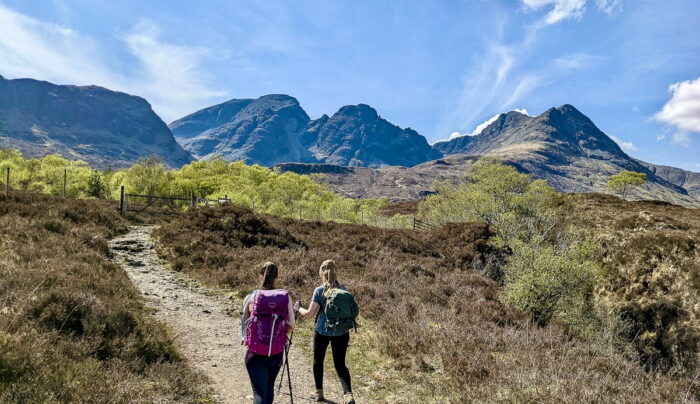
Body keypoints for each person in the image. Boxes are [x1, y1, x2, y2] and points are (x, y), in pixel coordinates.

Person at [294, 259, 357, 404]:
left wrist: (298, 308)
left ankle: (319, 394)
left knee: (318, 361)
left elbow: (310, 314)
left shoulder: (319, 290)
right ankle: (348, 395)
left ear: (322, 272)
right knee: (340, 364)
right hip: (341, 332)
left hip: (322, 331)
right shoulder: (344, 290)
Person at [241, 262, 295, 404]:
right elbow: (292, 325)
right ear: (276, 277)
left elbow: (244, 325)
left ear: (260, 277)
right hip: (276, 353)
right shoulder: (285, 297)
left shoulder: (252, 297)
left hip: (255, 353)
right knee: (269, 390)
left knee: (259, 394)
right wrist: (281, 333)